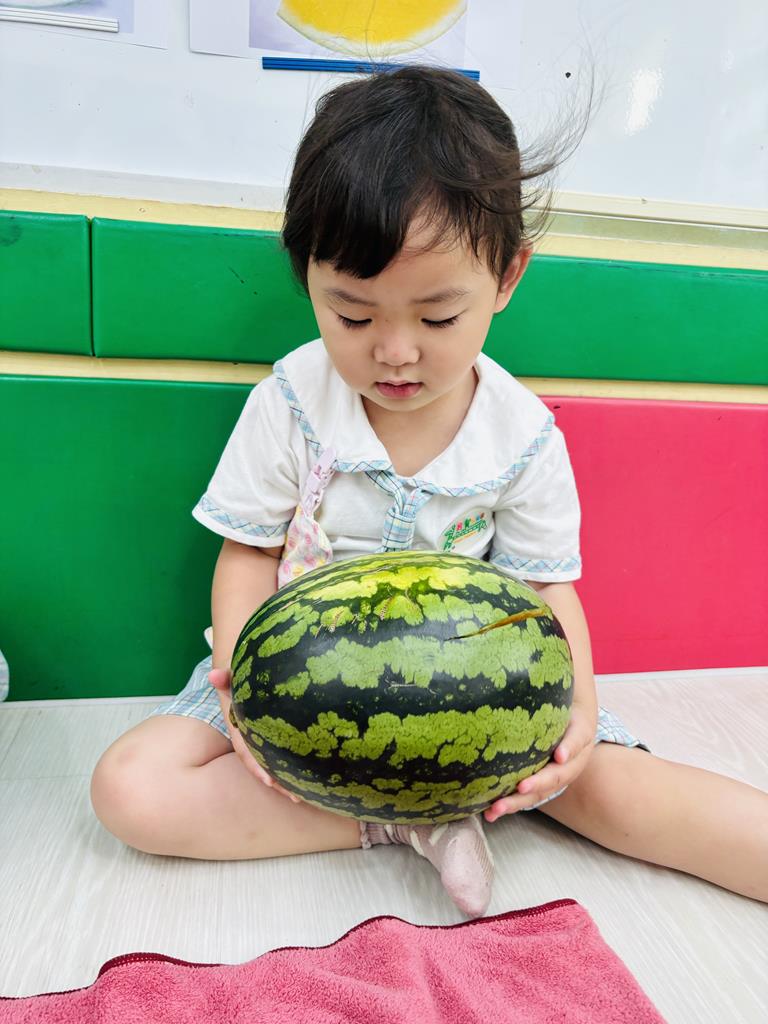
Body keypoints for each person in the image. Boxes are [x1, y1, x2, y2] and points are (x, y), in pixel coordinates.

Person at [90, 66, 768, 918]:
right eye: (353, 316)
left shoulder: (523, 436)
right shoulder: (291, 404)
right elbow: (248, 553)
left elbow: (548, 586)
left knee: (620, 788)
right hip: (304, 687)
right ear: (306, 277)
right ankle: (403, 821)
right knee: (132, 789)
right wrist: (244, 696)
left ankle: (459, 804)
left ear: (508, 277)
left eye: (438, 318)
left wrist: (579, 708)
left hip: (486, 695)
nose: (396, 352)